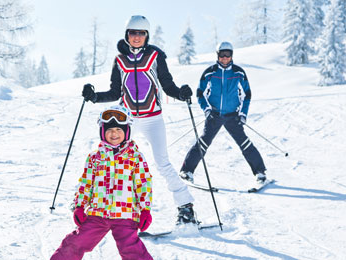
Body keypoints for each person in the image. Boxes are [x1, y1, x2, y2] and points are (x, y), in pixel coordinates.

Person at [81, 15, 197, 224]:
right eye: (133, 33)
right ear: (127, 35)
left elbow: (167, 85)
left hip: (153, 118)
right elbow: (115, 91)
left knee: (162, 163)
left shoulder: (155, 57)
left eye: (141, 33)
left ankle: (185, 207)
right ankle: (96, 205)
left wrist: (181, 93)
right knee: (110, 159)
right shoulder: (119, 60)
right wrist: (94, 96)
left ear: (147, 36)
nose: (136, 37)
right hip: (128, 121)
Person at [51, 106, 153, 260]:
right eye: (110, 130)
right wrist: (79, 206)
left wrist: (145, 209)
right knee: (74, 243)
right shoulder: (94, 158)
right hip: (98, 213)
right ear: (102, 132)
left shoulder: (135, 157)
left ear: (126, 132)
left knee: (132, 250)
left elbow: (143, 184)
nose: (114, 134)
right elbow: (86, 183)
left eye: (119, 130)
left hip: (125, 215)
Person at [179, 41, 267, 185]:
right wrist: (207, 109)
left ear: (232, 56)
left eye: (228, 55)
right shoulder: (210, 72)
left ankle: (260, 172)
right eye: (222, 54)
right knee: (203, 143)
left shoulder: (238, 72)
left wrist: (243, 114)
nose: (225, 58)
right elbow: (200, 93)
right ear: (217, 55)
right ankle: (186, 171)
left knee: (244, 143)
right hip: (214, 115)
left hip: (233, 115)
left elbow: (247, 94)